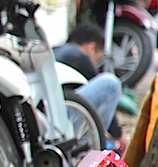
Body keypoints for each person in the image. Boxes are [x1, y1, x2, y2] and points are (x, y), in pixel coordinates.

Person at [53, 22, 126, 152]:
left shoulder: (56, 50)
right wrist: (119, 134)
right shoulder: (78, 55)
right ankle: (90, 148)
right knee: (111, 84)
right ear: (91, 48)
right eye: (96, 59)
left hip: (46, 120)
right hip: (59, 121)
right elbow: (104, 95)